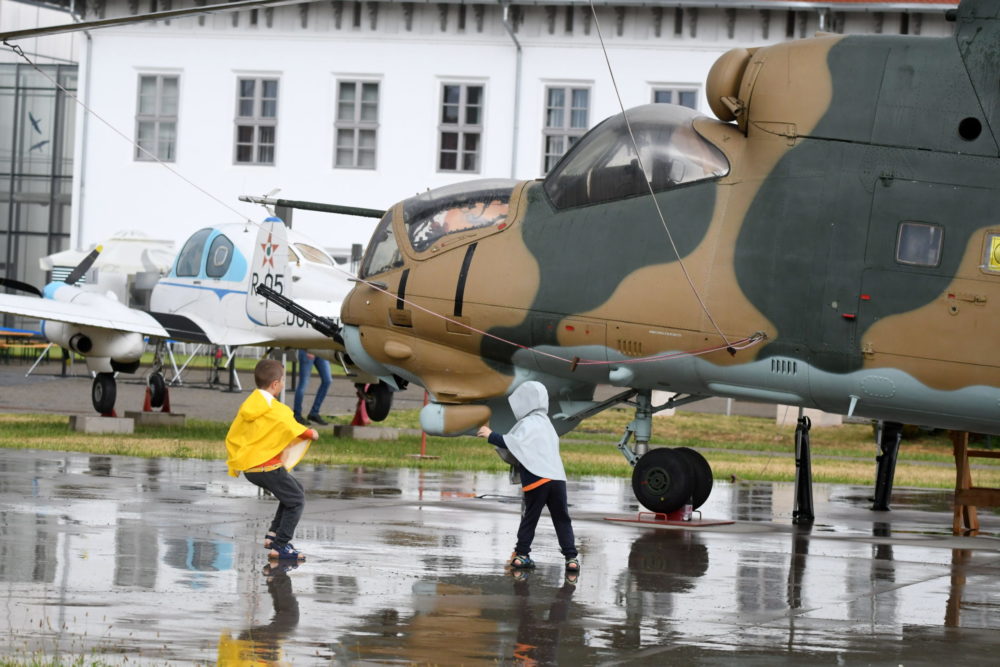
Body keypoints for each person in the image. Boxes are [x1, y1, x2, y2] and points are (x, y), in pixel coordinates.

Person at [477, 381, 580, 572]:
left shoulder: (528, 423)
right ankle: (571, 558)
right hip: (557, 479)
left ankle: (521, 555)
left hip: (537, 479)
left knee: (530, 518)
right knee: (562, 519)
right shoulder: (547, 424)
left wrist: (490, 435)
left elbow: (513, 443)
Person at [226, 358, 318, 561]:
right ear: (275, 384)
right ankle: (281, 546)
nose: (283, 384)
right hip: (267, 467)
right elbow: (293, 428)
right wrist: (311, 433)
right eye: (283, 381)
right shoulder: (276, 409)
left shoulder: (248, 406)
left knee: (294, 492)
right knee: (296, 501)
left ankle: (273, 534)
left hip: (252, 468)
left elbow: (236, 433)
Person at [293, 349, 332, 426]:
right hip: (307, 349)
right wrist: (308, 348)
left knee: (327, 380)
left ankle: (314, 413)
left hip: (321, 351)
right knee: (303, 383)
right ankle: (297, 414)